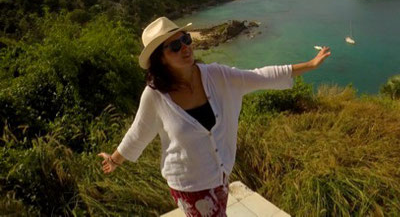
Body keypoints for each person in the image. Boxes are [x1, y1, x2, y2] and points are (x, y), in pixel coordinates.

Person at [98, 16, 331, 217]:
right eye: (175, 46)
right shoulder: (155, 97)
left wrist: (309, 65)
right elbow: (139, 132)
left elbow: (259, 76)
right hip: (188, 184)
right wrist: (115, 159)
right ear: (160, 58)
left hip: (220, 174)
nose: (185, 47)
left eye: (186, 39)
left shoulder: (216, 76)